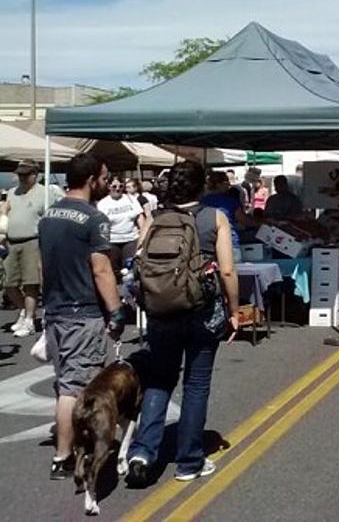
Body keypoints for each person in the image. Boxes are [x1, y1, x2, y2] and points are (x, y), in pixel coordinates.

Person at [126, 160, 240, 486]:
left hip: (160, 313)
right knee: (196, 384)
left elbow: (139, 261)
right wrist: (234, 311)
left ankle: (143, 451)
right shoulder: (214, 217)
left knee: (160, 380)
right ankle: (189, 460)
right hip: (200, 312)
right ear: (202, 186)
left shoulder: (156, 220)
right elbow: (228, 270)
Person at [38, 153, 124, 480]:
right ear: (90, 180)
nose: (106, 182)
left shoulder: (49, 216)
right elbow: (101, 269)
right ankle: (63, 457)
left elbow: (43, 264)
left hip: (56, 310)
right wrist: (116, 311)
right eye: (103, 177)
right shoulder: (93, 218)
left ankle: (72, 445)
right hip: (82, 312)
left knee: (65, 380)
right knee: (75, 387)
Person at [1, 159, 61, 337]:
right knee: (8, 283)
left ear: (35, 175)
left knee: (30, 283)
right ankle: (22, 311)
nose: (22, 178)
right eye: (20, 174)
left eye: (26, 174)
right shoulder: (11, 193)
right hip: (11, 241)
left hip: (32, 241)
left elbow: (51, 218)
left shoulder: (46, 193)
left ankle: (29, 319)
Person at [97, 175, 144, 277]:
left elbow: (140, 217)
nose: (117, 189)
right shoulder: (103, 204)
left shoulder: (131, 199)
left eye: (121, 186)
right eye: (114, 186)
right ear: (109, 187)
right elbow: (101, 225)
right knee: (114, 271)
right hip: (113, 241)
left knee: (130, 270)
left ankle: (129, 290)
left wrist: (143, 235)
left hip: (131, 239)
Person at [202, 170, 246, 250]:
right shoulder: (230, 201)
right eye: (226, 182)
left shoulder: (203, 201)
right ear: (219, 184)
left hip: (208, 243)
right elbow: (243, 220)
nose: (229, 185)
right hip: (229, 243)